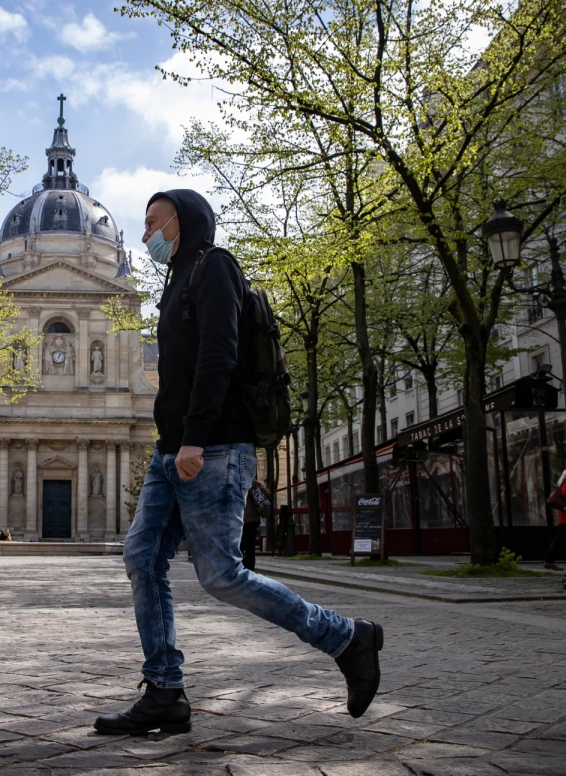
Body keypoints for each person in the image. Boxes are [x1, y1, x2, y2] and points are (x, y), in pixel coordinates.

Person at [94, 190, 383, 737]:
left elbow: (219, 355)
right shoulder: (174, 281)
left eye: (152, 222)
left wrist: (195, 439)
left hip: (211, 448)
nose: (144, 235)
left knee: (221, 574)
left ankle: (348, 638)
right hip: (170, 451)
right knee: (142, 558)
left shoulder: (214, 267)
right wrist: (172, 439)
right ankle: (164, 690)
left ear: (180, 220)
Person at [242, 480, 271, 572]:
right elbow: (267, 493)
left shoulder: (234, 481)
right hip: (252, 520)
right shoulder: (251, 482)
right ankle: (250, 568)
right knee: (250, 547)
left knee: (240, 546)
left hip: (239, 519)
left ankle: (242, 568)